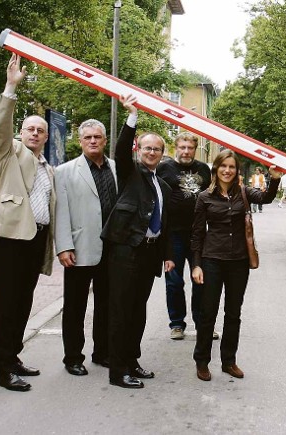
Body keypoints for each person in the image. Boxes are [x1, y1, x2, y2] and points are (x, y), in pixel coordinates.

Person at [0, 53, 56, 392]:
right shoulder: (9, 153)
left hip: (36, 241)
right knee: (6, 306)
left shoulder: (48, 167)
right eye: (30, 128)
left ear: (46, 137)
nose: (34, 132)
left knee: (23, 303)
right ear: (21, 132)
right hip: (11, 241)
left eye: (40, 130)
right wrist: (11, 87)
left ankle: (13, 357)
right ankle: (3, 370)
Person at [101, 94, 174, 389]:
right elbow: (119, 151)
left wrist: (168, 254)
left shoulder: (163, 185)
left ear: (162, 153)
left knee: (138, 311)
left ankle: (132, 361)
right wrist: (132, 117)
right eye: (147, 148)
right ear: (138, 149)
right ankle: (118, 372)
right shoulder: (130, 172)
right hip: (126, 252)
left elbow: (164, 225)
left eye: (157, 149)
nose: (152, 152)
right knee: (121, 311)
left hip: (149, 255)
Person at [191, 150, 281, 381]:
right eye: (224, 166)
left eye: (232, 167)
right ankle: (202, 361)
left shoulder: (244, 193)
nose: (227, 170)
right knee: (207, 313)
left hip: (238, 262)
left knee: (233, 313)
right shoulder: (204, 197)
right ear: (216, 168)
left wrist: (275, 178)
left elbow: (266, 198)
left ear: (236, 170)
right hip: (212, 260)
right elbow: (197, 234)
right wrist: (197, 265)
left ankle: (228, 361)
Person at [54, 119, 117, 376]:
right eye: (88, 137)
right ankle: (72, 357)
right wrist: (64, 246)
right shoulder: (65, 171)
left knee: (106, 304)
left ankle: (102, 352)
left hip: (111, 249)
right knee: (75, 306)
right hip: (79, 248)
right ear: (80, 141)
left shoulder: (116, 168)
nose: (93, 141)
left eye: (98, 137)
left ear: (105, 140)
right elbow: (61, 212)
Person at [157, 132, 212, 341]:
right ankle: (177, 323)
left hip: (198, 234)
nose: (186, 151)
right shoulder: (165, 168)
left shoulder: (203, 170)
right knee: (174, 281)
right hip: (173, 235)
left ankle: (202, 324)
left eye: (190, 148)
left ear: (195, 149)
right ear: (176, 148)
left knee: (202, 281)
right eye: (182, 147)